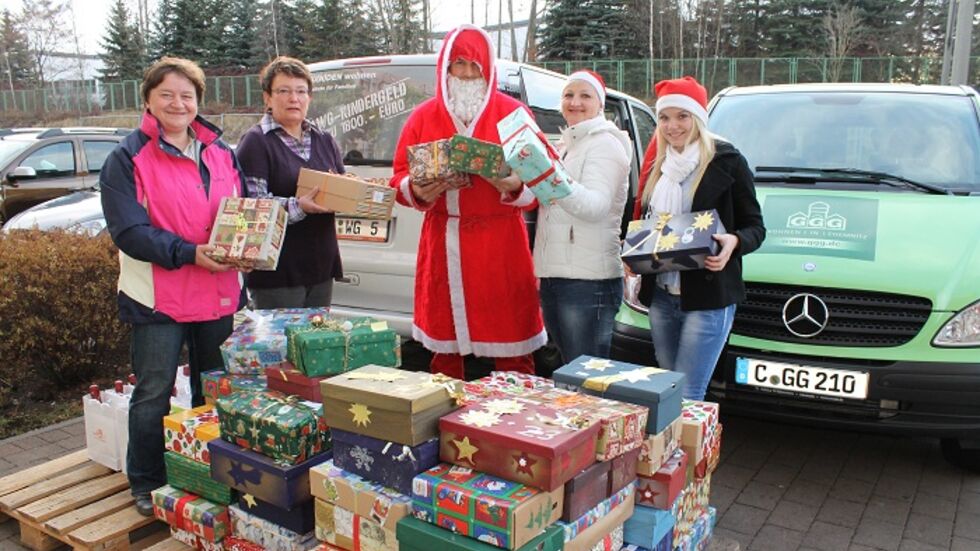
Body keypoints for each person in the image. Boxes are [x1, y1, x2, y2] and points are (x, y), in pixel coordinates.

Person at [100, 57, 247, 516]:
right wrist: (188, 252)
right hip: (157, 298)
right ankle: (147, 480)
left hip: (217, 291)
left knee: (215, 389)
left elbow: (239, 211)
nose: (178, 103)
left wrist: (250, 242)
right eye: (167, 94)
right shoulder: (126, 158)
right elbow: (129, 231)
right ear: (148, 100)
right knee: (153, 391)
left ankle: (208, 471)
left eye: (187, 95)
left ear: (198, 102)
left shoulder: (221, 152)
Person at [390, 24, 546, 379]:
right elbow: (398, 176)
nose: (466, 74)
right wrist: (417, 189)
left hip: (501, 243)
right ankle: (443, 418)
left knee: (513, 342)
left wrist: (512, 184)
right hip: (443, 240)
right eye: (458, 64)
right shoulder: (423, 116)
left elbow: (539, 182)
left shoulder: (514, 114)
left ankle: (520, 421)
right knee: (444, 351)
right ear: (445, 68)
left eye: (475, 66)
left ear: (488, 69)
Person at [633, 76, 766, 400]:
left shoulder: (727, 161)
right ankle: (668, 451)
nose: (672, 126)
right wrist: (634, 253)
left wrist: (734, 242)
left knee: (689, 393)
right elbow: (645, 223)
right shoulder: (658, 165)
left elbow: (755, 227)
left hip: (707, 299)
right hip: (662, 296)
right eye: (664, 117)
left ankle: (686, 452)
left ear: (698, 118)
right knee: (665, 389)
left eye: (682, 116)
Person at [533, 70, 631, 362]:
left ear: (600, 105)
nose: (575, 102)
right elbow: (552, 202)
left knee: (585, 378)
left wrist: (552, 179)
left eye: (585, 96)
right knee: (569, 371)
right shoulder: (568, 145)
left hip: (588, 281)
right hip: (557, 274)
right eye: (569, 95)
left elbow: (595, 206)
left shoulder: (605, 143)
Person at [236, 56, 344, 308]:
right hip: (278, 273)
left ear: (309, 97)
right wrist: (299, 206)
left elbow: (340, 185)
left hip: (321, 265)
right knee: (281, 346)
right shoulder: (256, 142)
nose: (293, 98)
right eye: (283, 91)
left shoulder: (324, 139)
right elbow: (253, 206)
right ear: (267, 97)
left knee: (318, 344)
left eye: (300, 91)